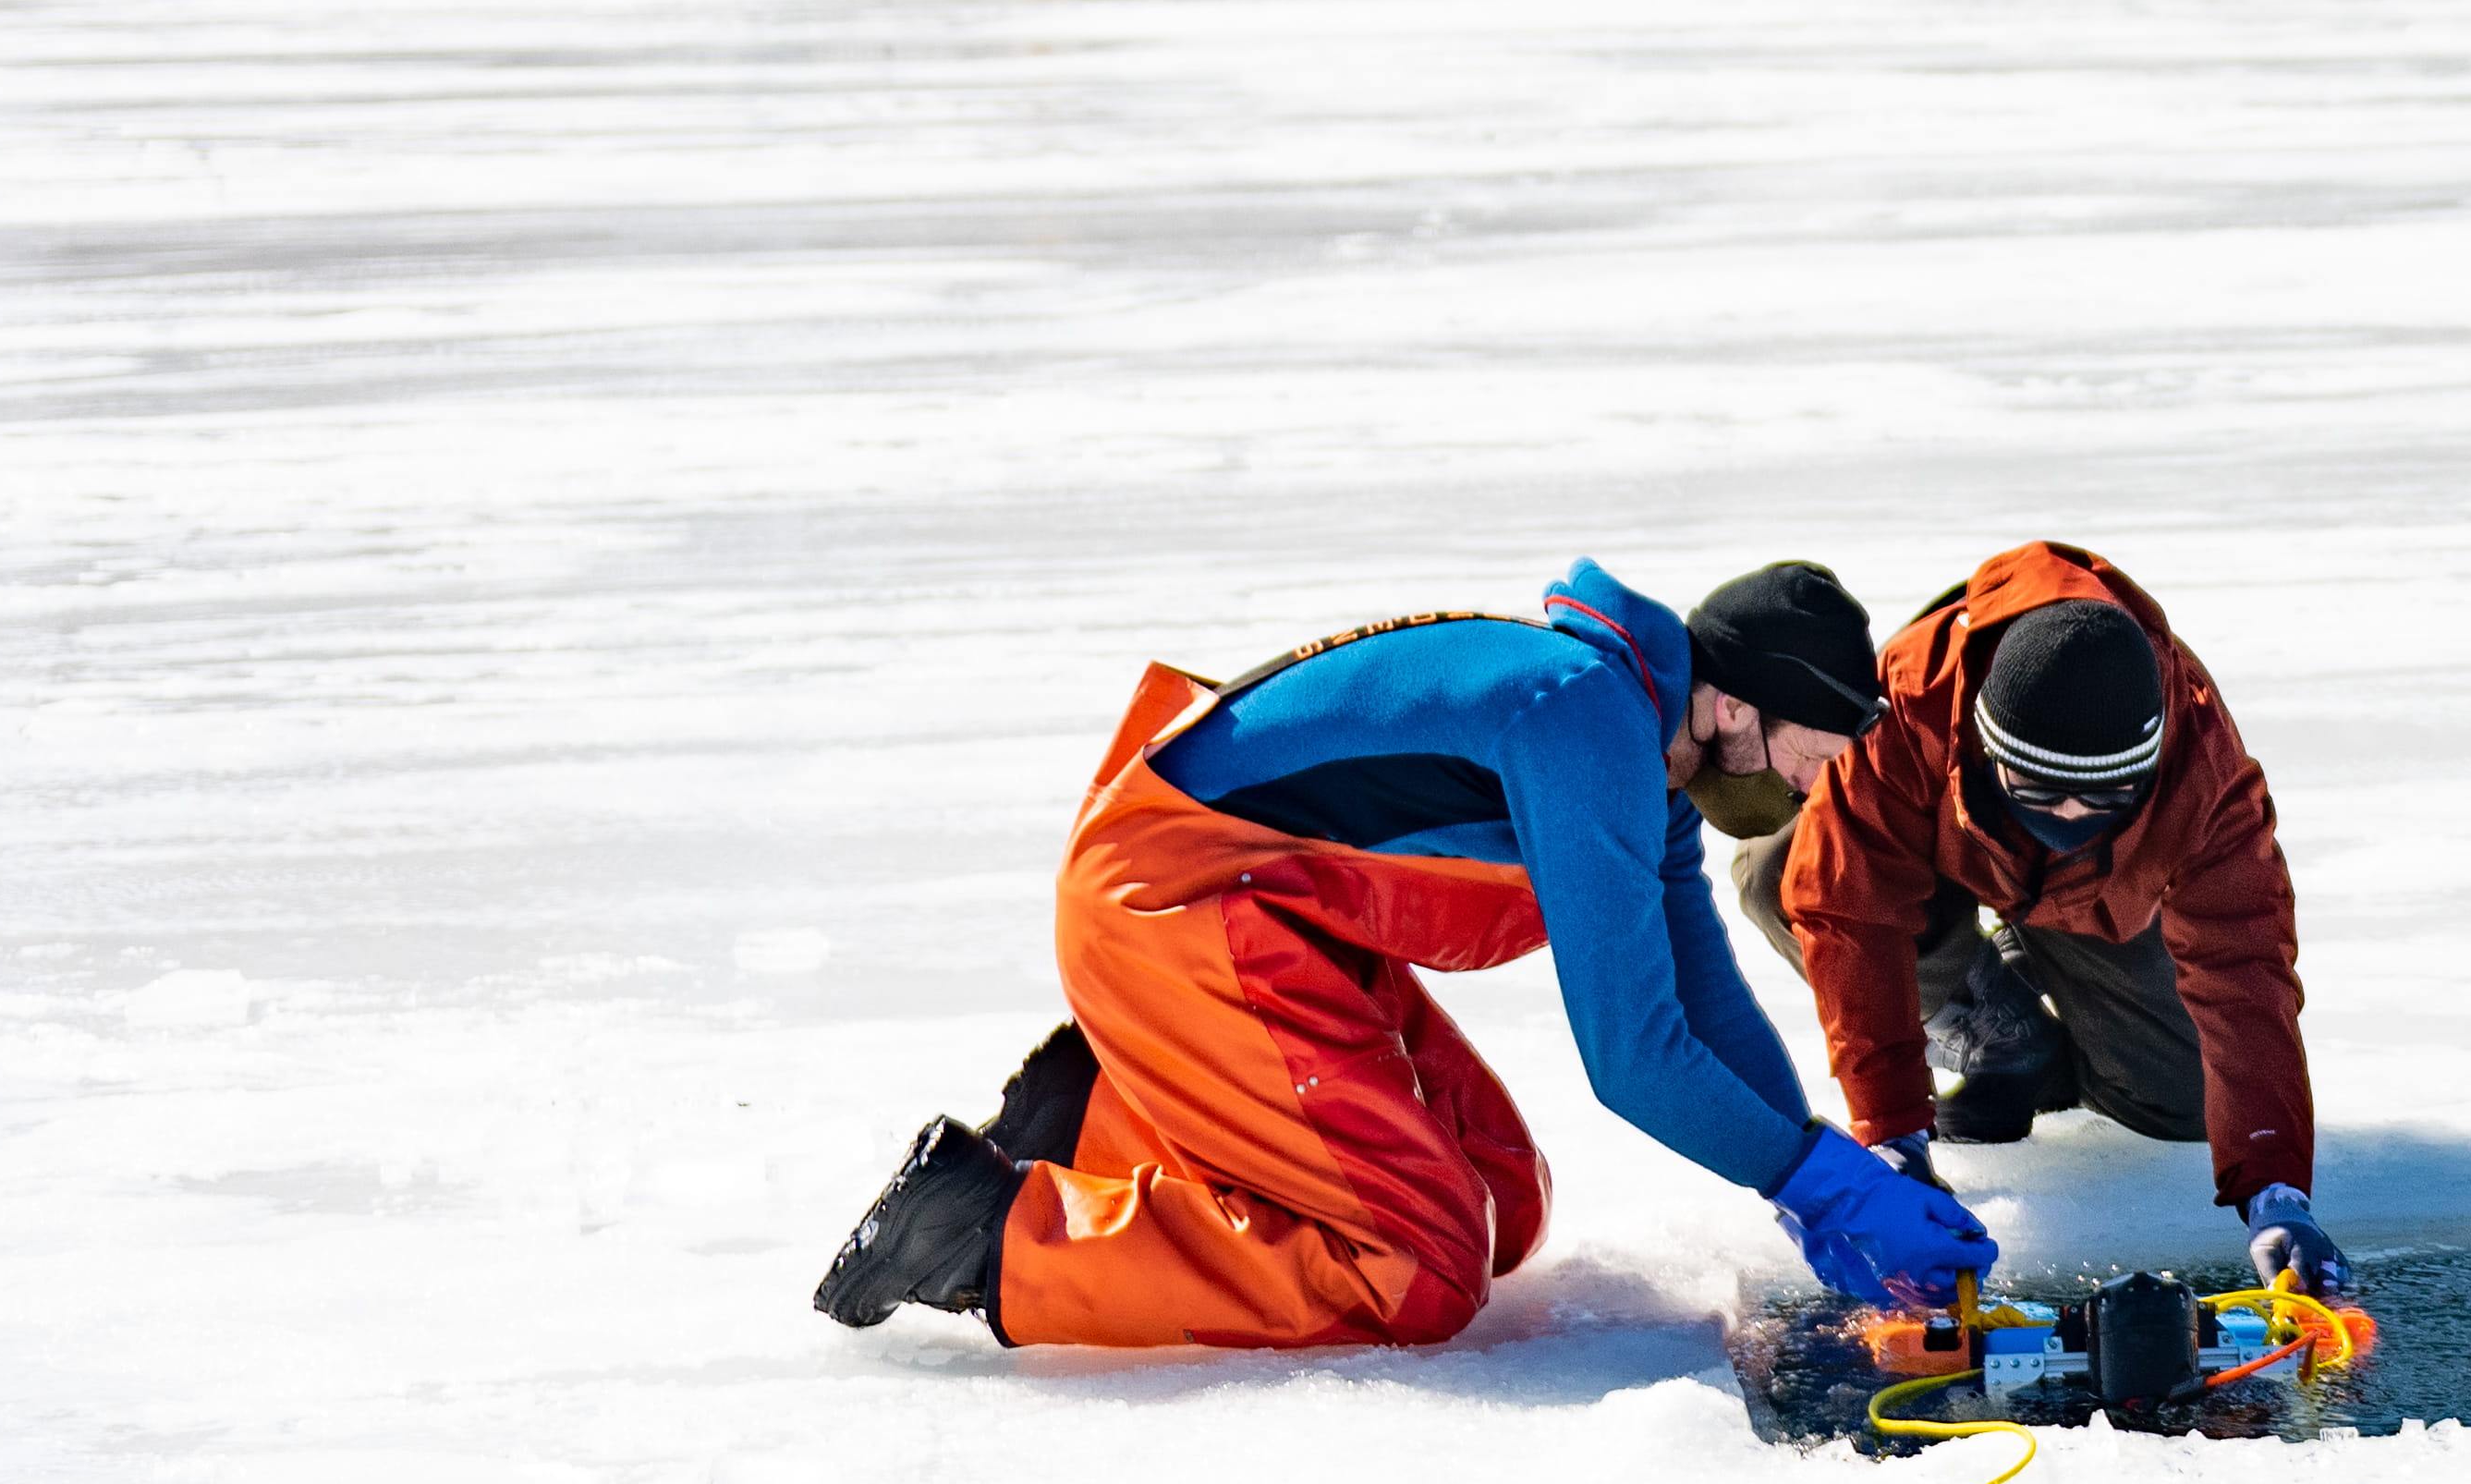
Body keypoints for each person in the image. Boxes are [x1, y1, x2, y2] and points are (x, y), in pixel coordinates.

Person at [810, 557, 2001, 1351]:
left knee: (1502, 1199)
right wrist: (1811, 1175)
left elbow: (1703, 998)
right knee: (1419, 1267)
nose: (1820, 781)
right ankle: (991, 1232)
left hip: (1288, 927)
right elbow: (1635, 1056)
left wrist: (1806, 1179)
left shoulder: (1647, 749)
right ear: (1740, 704)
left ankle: (1102, 1124)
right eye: (1821, 746)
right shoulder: (1583, 722)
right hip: (1174, 905)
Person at [1755, 542, 2349, 1308]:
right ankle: (1996, 1024)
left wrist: (2276, 1192)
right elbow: (1848, 908)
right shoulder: (1914, 698)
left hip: (2106, 906)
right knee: (1784, 870)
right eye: (2036, 791)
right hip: (1942, 856)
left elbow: (2245, 969)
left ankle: (2043, 993)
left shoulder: (2204, 765)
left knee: (2177, 1102)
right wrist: (1891, 1132)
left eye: (2097, 802)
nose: (2065, 817)